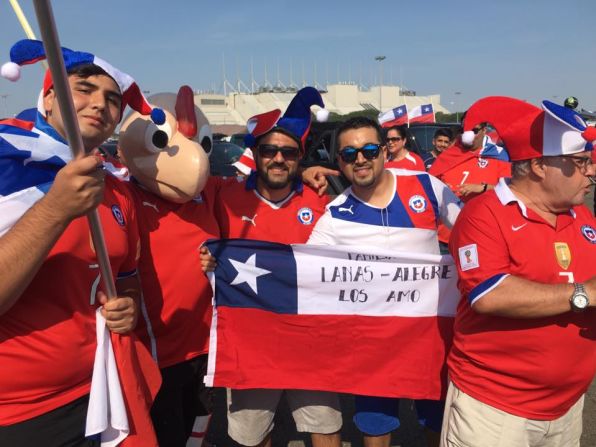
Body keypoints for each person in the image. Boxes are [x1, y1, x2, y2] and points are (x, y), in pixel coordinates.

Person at [0, 39, 160, 446]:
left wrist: (128, 305)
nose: (100, 105)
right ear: (48, 99)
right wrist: (55, 208)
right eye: (84, 89)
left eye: (112, 99)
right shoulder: (7, 164)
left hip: (100, 391)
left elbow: (125, 279)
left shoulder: (117, 188)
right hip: (17, 412)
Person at [442, 96, 596, 447]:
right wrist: (583, 294)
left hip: (567, 406)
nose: (591, 171)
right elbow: (489, 294)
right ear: (540, 166)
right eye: (581, 162)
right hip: (496, 412)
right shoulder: (484, 214)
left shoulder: (581, 215)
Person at [307, 116, 461, 447]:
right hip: (372, 343)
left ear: (385, 152)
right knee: (375, 425)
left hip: (428, 336)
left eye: (369, 150)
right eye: (349, 154)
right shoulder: (334, 216)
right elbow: (304, 274)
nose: (360, 159)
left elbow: (472, 234)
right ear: (339, 162)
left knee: (438, 419)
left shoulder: (426, 186)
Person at [201, 87, 342, 447]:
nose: (278, 158)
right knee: (252, 436)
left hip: (311, 339)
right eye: (269, 150)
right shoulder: (224, 195)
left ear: (300, 158)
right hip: (250, 341)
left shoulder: (324, 197)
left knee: (325, 427)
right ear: (256, 154)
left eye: (289, 152)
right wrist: (206, 259)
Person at [117, 86, 219, 447]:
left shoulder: (210, 194)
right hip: (156, 353)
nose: (194, 161)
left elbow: (259, 186)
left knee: (200, 427)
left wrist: (310, 171)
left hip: (207, 346)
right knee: (166, 434)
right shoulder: (123, 197)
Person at [429, 120, 511, 248]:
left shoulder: (498, 155)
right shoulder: (449, 154)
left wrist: (483, 188)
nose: (469, 135)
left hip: (479, 234)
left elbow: (510, 192)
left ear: (484, 130)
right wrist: (442, 188)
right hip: (444, 237)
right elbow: (429, 187)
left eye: (474, 131)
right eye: (464, 130)